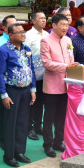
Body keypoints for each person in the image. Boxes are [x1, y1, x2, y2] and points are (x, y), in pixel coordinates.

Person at [0, 23, 36, 167]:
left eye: (23, 32)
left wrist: (33, 89)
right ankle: (9, 155)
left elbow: (31, 69)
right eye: (19, 32)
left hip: (25, 90)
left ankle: (20, 151)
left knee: (23, 122)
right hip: (11, 90)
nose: (23, 34)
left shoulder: (26, 49)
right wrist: (4, 94)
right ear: (10, 35)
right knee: (10, 123)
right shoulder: (3, 50)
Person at [41, 14, 78, 157]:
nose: (65, 27)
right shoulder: (46, 40)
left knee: (62, 116)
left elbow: (71, 58)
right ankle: (48, 144)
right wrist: (67, 67)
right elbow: (47, 62)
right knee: (49, 117)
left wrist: (73, 67)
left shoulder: (68, 40)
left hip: (66, 85)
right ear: (54, 25)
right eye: (62, 24)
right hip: (52, 86)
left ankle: (58, 141)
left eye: (67, 25)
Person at [0, 15, 16, 149]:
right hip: (4, 83)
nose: (15, 28)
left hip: (18, 83)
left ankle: (14, 137)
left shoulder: (20, 41)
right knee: (5, 112)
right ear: (5, 28)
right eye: (12, 26)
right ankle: (3, 139)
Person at [25, 11, 48, 141]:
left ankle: (39, 125)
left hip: (46, 76)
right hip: (33, 75)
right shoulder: (28, 35)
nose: (44, 20)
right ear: (33, 21)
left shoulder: (47, 34)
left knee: (41, 102)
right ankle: (30, 127)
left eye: (45, 18)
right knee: (32, 102)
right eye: (41, 18)